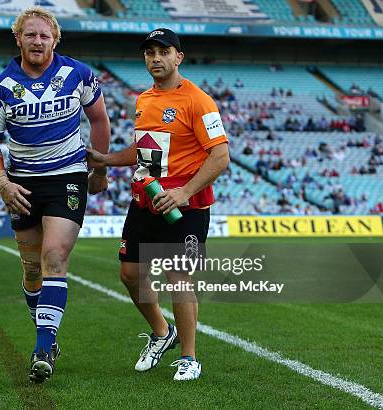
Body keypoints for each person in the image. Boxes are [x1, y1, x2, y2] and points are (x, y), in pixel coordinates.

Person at [87, 28, 230, 381]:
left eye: (163, 52)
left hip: (186, 207)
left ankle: (189, 357)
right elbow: (143, 151)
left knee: (178, 277)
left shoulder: (199, 101)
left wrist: (182, 192)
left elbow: (220, 156)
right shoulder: (143, 100)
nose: (155, 58)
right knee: (130, 274)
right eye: (149, 52)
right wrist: (105, 159)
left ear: (178, 57)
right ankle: (162, 333)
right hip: (145, 200)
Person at [0, 7, 110, 383]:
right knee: (32, 269)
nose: (38, 41)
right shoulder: (2, 86)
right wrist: (3, 184)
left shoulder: (78, 73)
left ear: (55, 40)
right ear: (18, 38)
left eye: (45, 35)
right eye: (31, 35)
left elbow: (99, 119)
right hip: (22, 184)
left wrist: (98, 169)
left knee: (54, 257)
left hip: (67, 177)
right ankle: (45, 332)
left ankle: (43, 345)